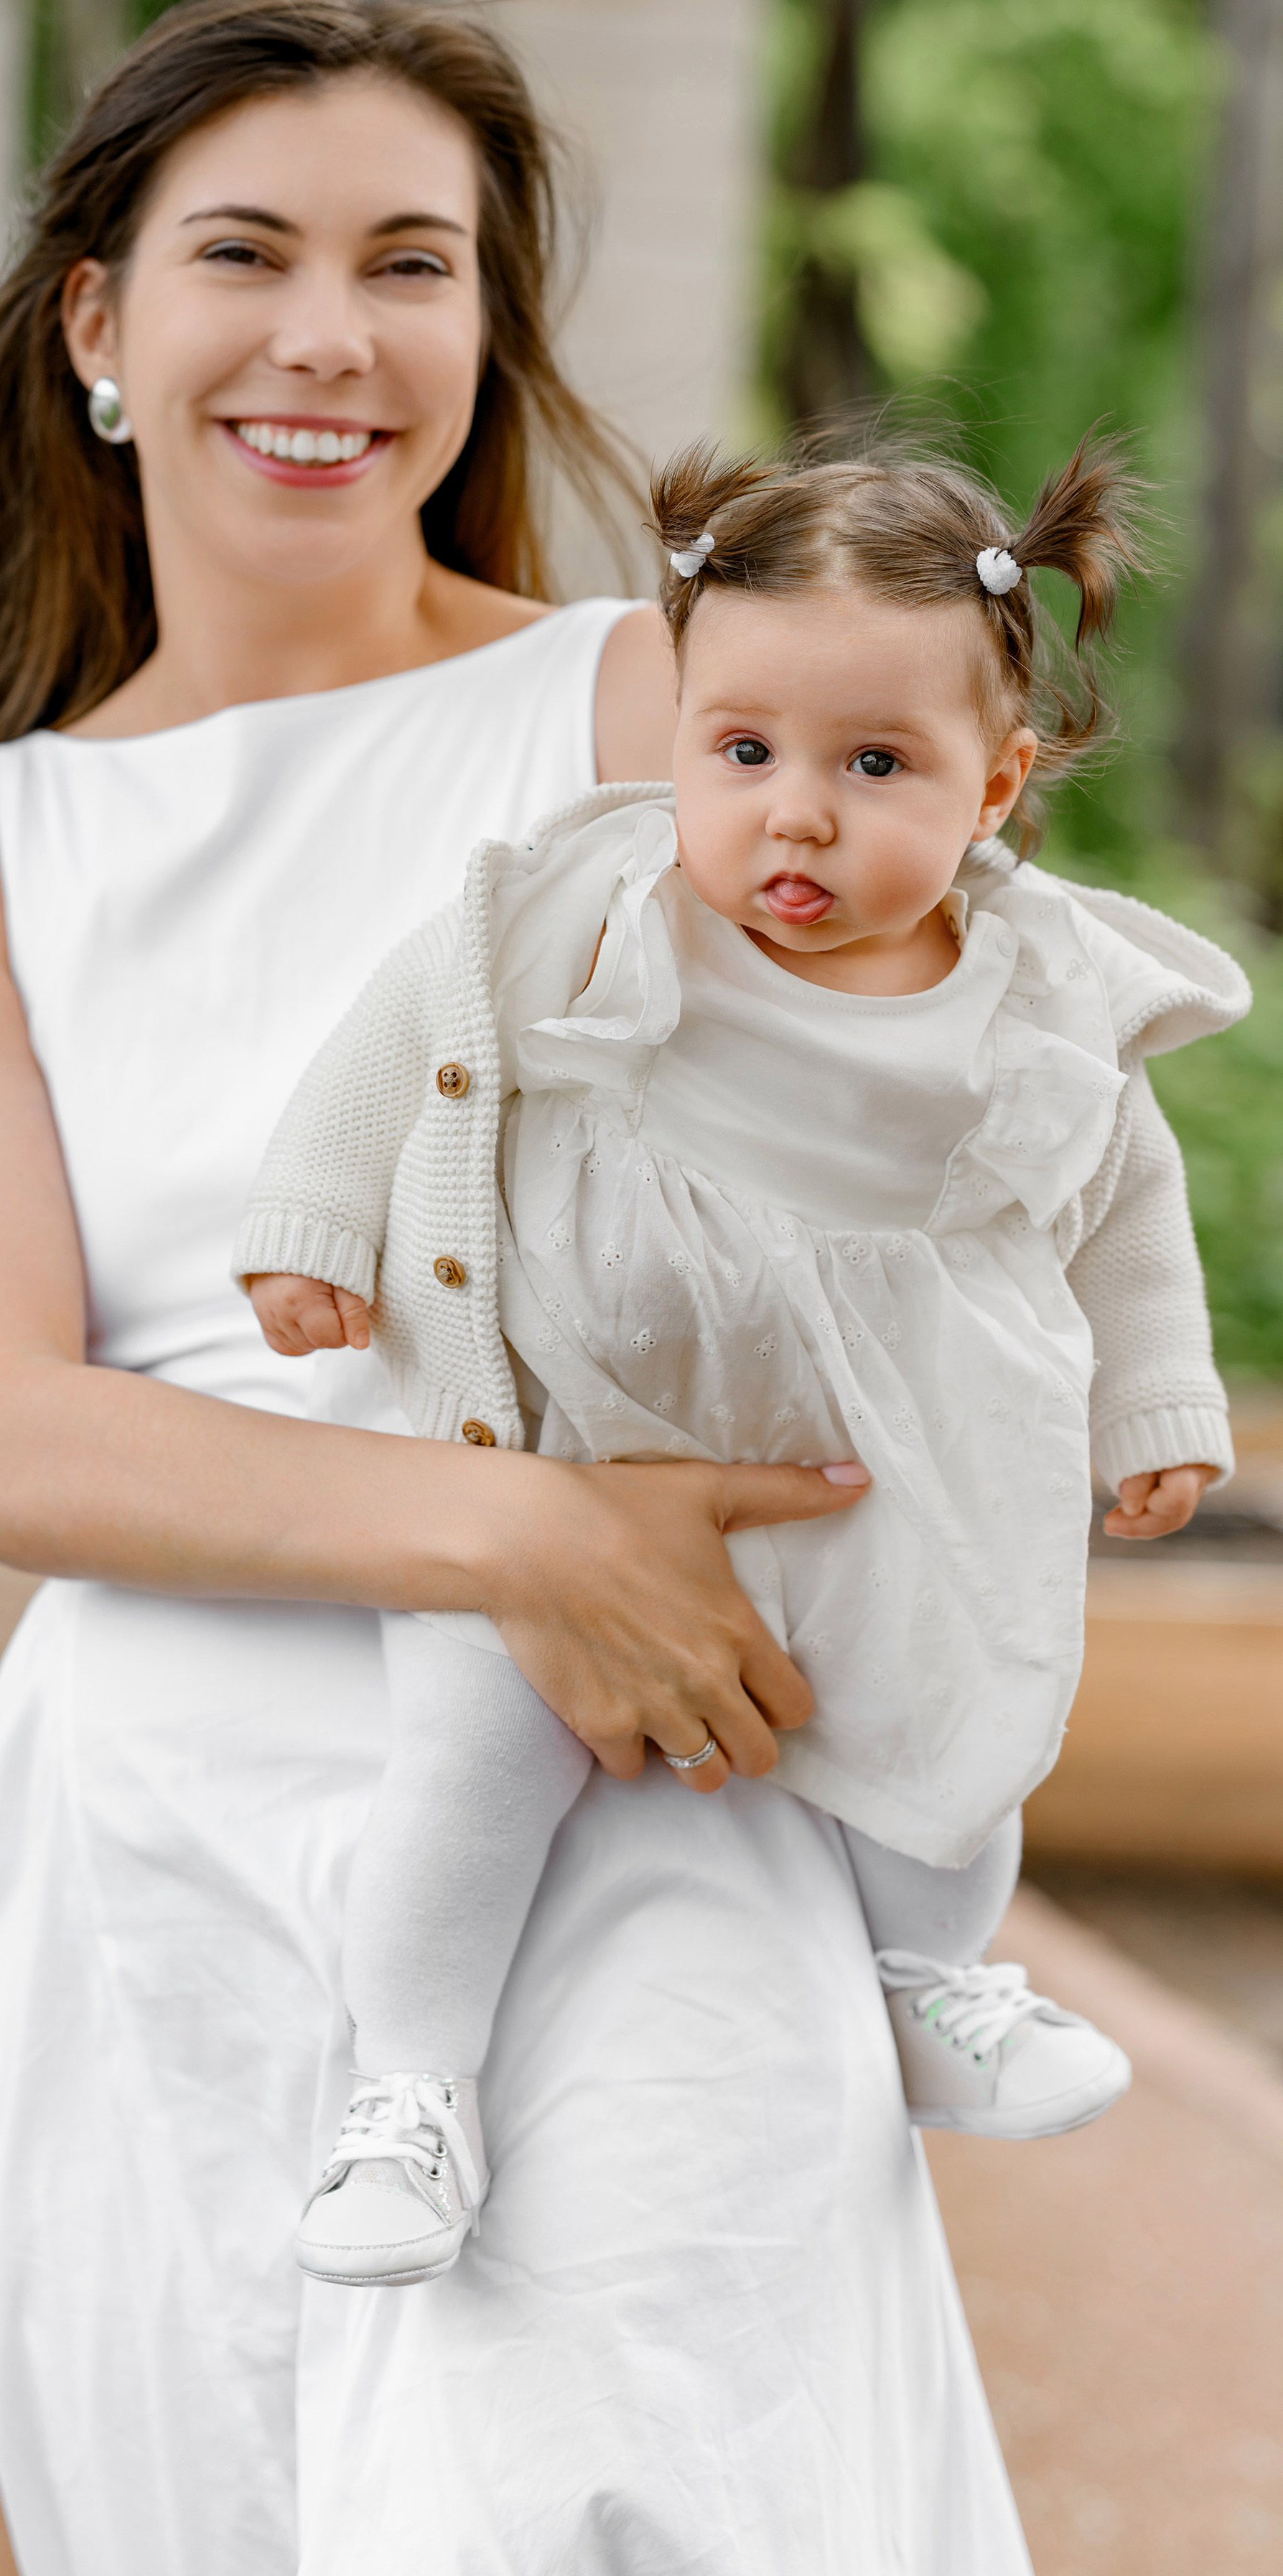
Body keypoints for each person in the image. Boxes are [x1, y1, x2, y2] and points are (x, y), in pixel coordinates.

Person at [0, 3, 1040, 2575]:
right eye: (242, 255)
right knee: (225, 2496)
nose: (328, 336)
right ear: (95, 329)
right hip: (165, 1817)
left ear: (483, 331)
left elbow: (937, 1155)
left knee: (649, 2493)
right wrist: (516, 1536)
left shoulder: (660, 713)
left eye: (414, 264)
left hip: (633, 1792)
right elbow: (0, 1439)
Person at [241, 434, 1249, 2290]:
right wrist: (314, 1221)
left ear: (997, 784)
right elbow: (407, 1031)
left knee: (959, 1717)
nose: (794, 814)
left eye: (876, 766)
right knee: (471, 1761)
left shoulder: (1034, 996)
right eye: (744, 750)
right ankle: (409, 2091)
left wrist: (1156, 1398)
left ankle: (938, 1986)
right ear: (679, 736)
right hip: (562, 1452)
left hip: (889, 1472)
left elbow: (1120, 1197)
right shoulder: (601, 910)